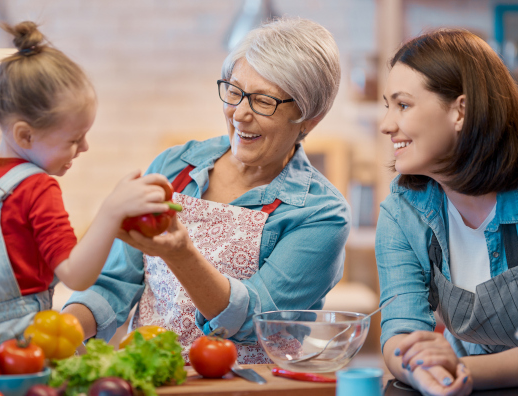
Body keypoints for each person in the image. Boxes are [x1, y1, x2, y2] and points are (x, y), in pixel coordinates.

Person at [62, 17, 351, 363]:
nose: (239, 114)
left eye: (263, 101)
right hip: (156, 378)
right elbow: (113, 285)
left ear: (309, 117)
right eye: (234, 91)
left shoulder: (320, 213)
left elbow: (254, 320)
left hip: (250, 386)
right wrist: (58, 331)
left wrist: (181, 254)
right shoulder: (174, 167)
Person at [0, 21, 171, 351]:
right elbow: (75, 275)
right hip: (13, 356)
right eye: (74, 139)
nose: (85, 148)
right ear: (25, 135)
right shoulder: (37, 188)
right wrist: (111, 211)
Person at [376, 28, 518, 395]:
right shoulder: (402, 208)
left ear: (461, 110)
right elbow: (400, 331)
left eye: (403, 105)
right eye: (386, 106)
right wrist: (423, 371)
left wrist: (457, 368)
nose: (386, 124)